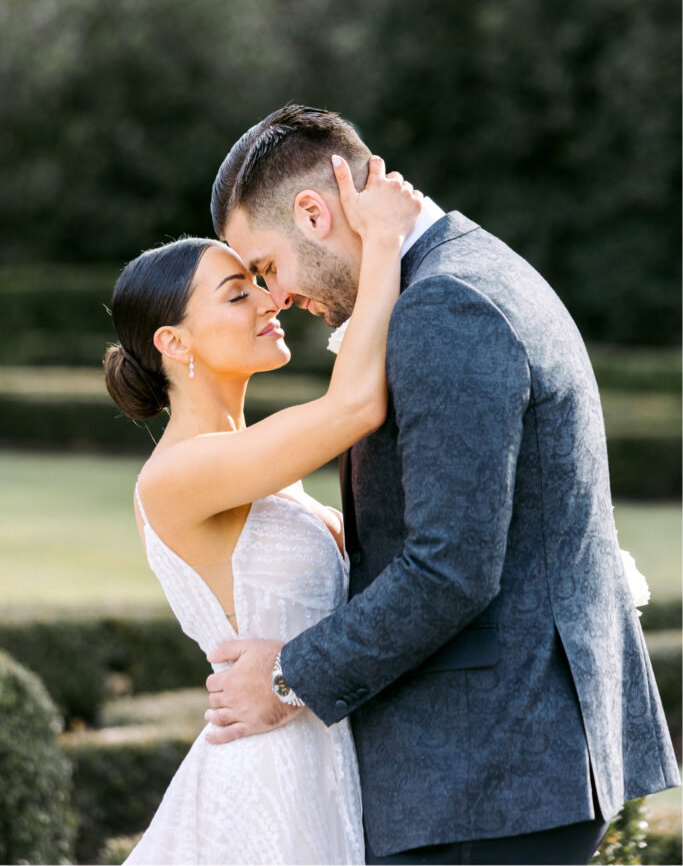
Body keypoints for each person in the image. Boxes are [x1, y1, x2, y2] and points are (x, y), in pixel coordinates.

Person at [205, 104, 680, 866]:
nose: (275, 296)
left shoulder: (444, 307)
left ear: (313, 212)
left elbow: (450, 566)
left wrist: (288, 676)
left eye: (266, 267)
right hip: (498, 768)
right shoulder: (459, 272)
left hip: (482, 775)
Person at [103, 159, 423, 864]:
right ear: (174, 343)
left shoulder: (253, 460)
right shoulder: (179, 475)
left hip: (323, 762)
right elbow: (355, 406)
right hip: (266, 783)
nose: (268, 301)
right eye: (236, 293)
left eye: (259, 284)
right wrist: (381, 243)